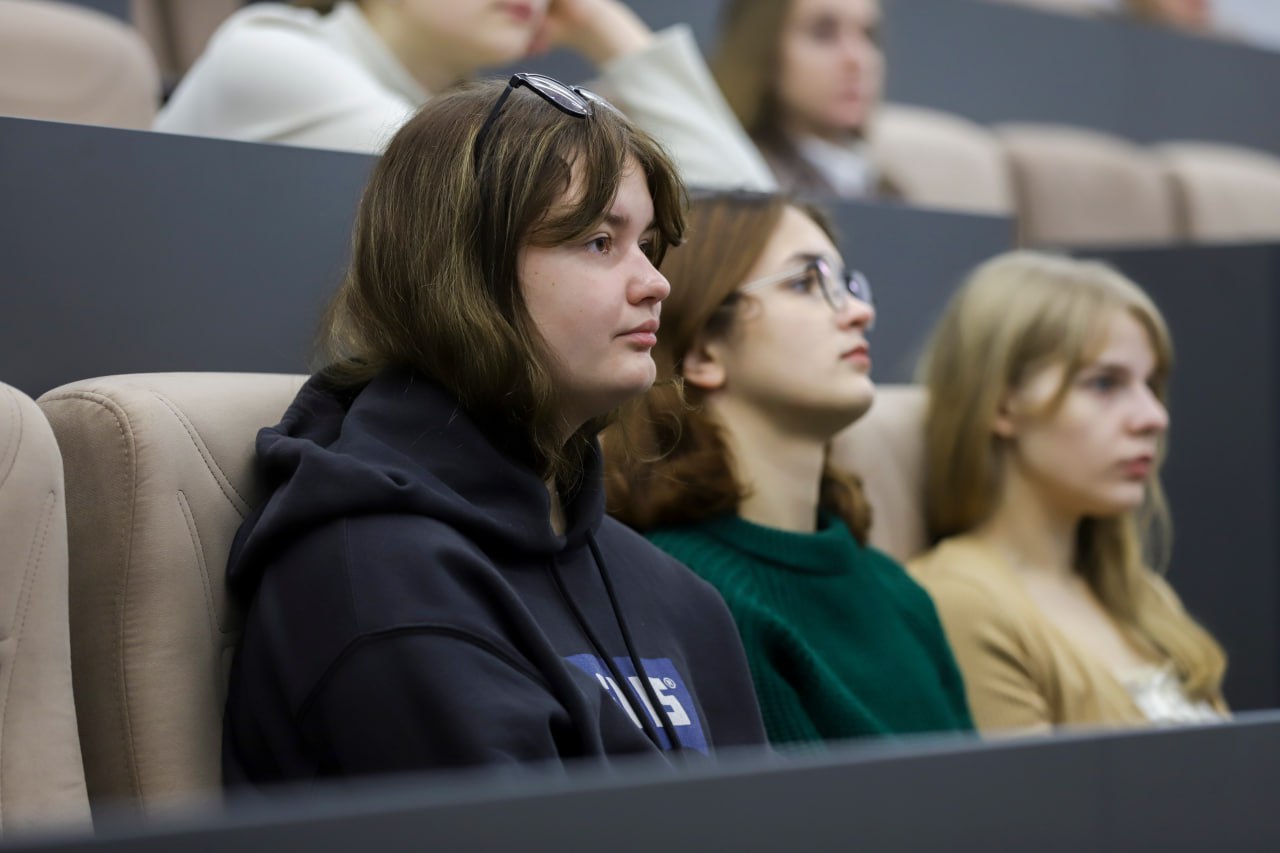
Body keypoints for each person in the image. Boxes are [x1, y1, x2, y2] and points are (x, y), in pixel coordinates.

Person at [222, 75, 769, 785]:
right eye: (599, 241)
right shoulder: (379, 582)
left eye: (649, 244)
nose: (656, 282)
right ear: (464, 270)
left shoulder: (676, 595)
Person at [604, 191, 973, 746]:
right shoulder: (689, 596)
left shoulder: (897, 591)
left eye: (847, 285)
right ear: (704, 351)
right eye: (805, 283)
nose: (861, 312)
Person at [909, 251, 1228, 732]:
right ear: (1002, 405)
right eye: (1104, 384)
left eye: (1151, 385)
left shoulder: (1142, 596)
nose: (1153, 417)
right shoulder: (960, 601)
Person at [154, 0, 775, 190]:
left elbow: (744, 222)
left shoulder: (487, 108)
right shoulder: (272, 55)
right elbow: (540, 213)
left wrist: (608, 29)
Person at [712, 0, 894, 199]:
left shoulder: (884, 186)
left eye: (868, 35)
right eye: (824, 33)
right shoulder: (737, 180)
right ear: (765, 49)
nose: (857, 59)